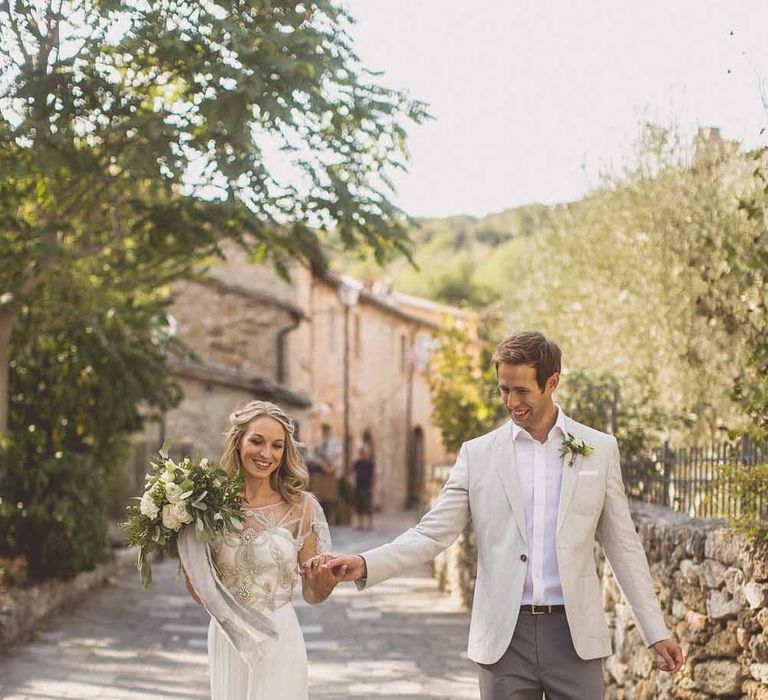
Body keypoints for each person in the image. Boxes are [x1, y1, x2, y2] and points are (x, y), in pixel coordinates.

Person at [307, 331, 684, 700]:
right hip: (504, 638)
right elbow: (432, 533)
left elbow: (624, 546)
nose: (511, 401)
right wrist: (365, 562)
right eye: (504, 389)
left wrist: (655, 629)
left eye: (522, 391)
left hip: (575, 636)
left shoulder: (598, 450)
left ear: (551, 382)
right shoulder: (478, 454)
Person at [182, 400, 346, 699]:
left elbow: (312, 593)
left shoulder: (302, 507)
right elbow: (199, 591)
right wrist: (186, 555)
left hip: (279, 636)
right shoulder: (208, 504)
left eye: (277, 446)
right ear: (239, 441)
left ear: (285, 452)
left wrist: (324, 584)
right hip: (228, 637)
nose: (266, 454)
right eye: (257, 441)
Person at [312, 423, 343, 524]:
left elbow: (337, 458)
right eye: (324, 431)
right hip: (321, 472)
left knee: (331, 498)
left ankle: (331, 518)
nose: (325, 433)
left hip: (331, 473)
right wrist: (322, 464)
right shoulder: (320, 444)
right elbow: (315, 457)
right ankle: (321, 518)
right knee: (320, 497)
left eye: (327, 431)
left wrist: (332, 468)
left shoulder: (334, 444)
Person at [351, 444, 375, 531]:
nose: (362, 455)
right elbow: (352, 472)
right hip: (359, 486)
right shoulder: (358, 463)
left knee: (368, 506)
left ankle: (369, 524)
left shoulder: (370, 463)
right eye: (361, 453)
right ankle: (360, 524)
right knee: (360, 506)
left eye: (364, 453)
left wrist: (372, 486)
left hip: (367, 486)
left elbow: (373, 475)